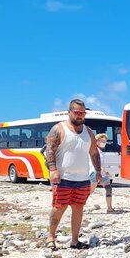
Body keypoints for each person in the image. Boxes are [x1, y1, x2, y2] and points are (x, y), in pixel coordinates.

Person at [43, 99, 102, 250]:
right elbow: (49, 150)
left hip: (82, 178)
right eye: (76, 113)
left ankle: (75, 241)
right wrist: (53, 170)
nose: (80, 116)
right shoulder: (59, 128)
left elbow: (94, 153)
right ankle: (51, 237)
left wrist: (98, 171)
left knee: (78, 208)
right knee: (58, 207)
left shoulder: (88, 132)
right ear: (69, 112)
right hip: (63, 177)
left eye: (82, 113)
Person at [89, 133, 115, 213]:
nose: (104, 143)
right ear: (97, 141)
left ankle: (109, 208)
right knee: (90, 191)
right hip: (95, 173)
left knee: (108, 188)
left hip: (102, 174)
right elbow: (97, 163)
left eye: (105, 141)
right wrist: (105, 170)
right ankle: (79, 205)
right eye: (102, 141)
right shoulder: (95, 151)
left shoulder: (100, 151)